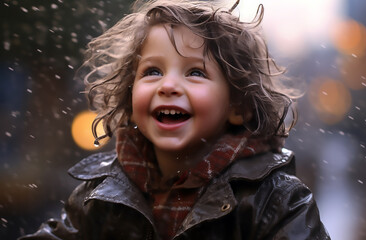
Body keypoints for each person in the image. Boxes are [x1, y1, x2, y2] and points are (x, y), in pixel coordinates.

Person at [19, 0, 330, 239]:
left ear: (238, 106)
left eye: (195, 72)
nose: (167, 86)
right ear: (130, 95)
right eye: (153, 71)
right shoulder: (101, 196)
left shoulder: (275, 201)